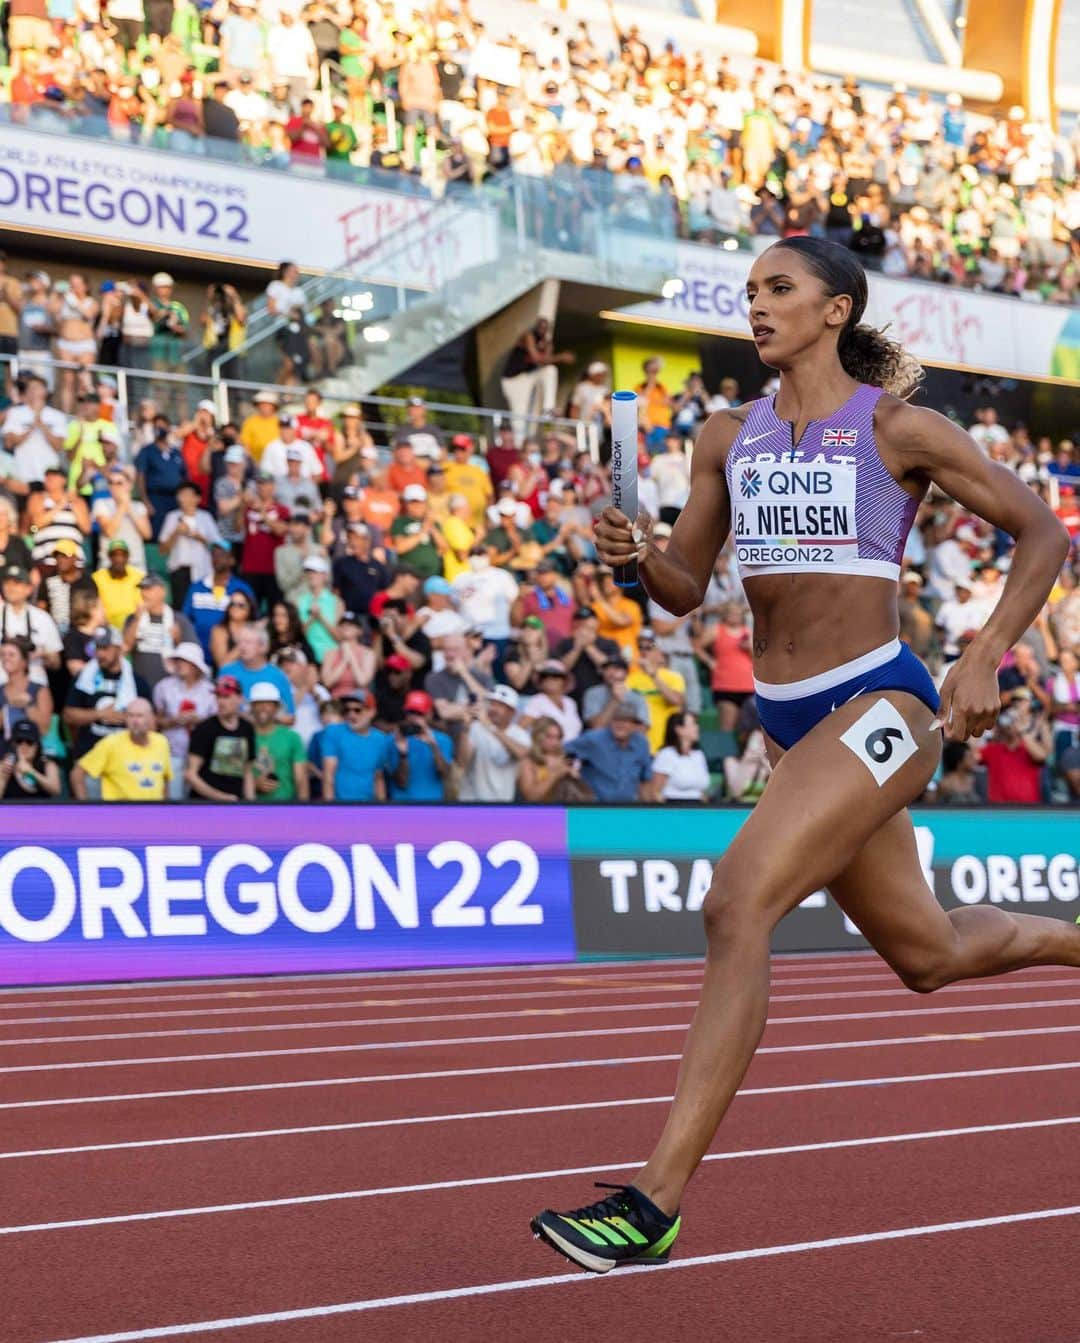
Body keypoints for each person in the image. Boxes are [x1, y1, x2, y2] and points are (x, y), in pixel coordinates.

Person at [531, 234, 1079, 1274]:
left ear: (836, 310)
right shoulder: (724, 436)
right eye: (750, 292)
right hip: (791, 718)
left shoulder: (896, 427)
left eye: (779, 288)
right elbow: (687, 584)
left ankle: (655, 1201)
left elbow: (1042, 532)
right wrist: (637, 553)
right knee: (929, 955)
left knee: (737, 901)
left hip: (883, 701)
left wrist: (984, 654)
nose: (758, 304)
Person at [71, 697, 171, 800]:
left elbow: (165, 779)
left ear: (151, 718)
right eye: (130, 715)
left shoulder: (162, 742)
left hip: (154, 813)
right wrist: (84, 809)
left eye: (140, 716)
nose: (135, 721)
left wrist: (165, 810)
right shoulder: (111, 743)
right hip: (119, 813)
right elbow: (77, 774)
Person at [152, 640, 216, 798]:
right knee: (173, 799)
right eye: (178, 660)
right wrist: (174, 721)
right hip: (171, 752)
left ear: (195, 665)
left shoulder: (210, 691)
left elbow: (216, 723)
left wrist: (199, 722)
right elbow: (155, 722)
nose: (180, 664)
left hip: (202, 756)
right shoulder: (163, 687)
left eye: (184, 661)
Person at [321, 689, 404, 802]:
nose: (351, 714)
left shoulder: (380, 739)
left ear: (372, 712)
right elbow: (328, 777)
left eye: (357, 710)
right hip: (341, 806)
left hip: (368, 808)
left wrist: (382, 810)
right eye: (347, 710)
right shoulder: (333, 732)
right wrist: (330, 810)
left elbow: (378, 777)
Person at [186, 674, 256, 802]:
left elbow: (247, 771)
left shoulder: (247, 729)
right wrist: (221, 798)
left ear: (239, 698)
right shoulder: (204, 728)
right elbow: (191, 775)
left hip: (236, 805)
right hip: (204, 805)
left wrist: (251, 804)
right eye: (218, 696)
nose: (220, 702)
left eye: (226, 697)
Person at [565, 701, 652, 801]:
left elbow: (645, 779)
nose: (620, 725)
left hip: (628, 808)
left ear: (635, 726)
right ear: (610, 722)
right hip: (595, 808)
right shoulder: (594, 739)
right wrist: (569, 770)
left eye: (626, 721)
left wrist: (648, 807)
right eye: (616, 720)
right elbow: (561, 751)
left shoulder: (641, 743)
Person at [456, 684, 530, 802]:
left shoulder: (520, 734)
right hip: (471, 801)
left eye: (500, 705)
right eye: (492, 703)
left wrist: (491, 727)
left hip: (501, 803)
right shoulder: (475, 728)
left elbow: (521, 753)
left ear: (512, 712)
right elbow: (462, 762)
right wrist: (465, 728)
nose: (493, 708)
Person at [387, 689, 453, 802]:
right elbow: (401, 782)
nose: (414, 717)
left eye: (419, 713)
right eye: (411, 712)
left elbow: (444, 775)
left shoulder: (443, 740)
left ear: (430, 714)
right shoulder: (394, 738)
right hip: (402, 806)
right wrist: (403, 754)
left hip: (431, 806)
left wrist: (433, 746)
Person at [249, 681, 309, 802]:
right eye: (259, 703)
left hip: (285, 808)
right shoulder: (242, 735)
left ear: (277, 707)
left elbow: (301, 779)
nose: (263, 707)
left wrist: (304, 812)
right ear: (252, 706)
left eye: (268, 703)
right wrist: (253, 785)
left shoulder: (292, 737)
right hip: (250, 809)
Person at [518, 715, 591, 802]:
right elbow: (530, 797)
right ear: (538, 736)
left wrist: (574, 777)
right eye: (549, 737)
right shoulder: (528, 763)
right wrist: (554, 775)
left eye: (558, 737)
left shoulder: (565, 759)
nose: (555, 742)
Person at [651, 710, 711, 801]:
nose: (697, 727)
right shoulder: (666, 754)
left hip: (697, 808)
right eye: (693, 724)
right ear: (679, 730)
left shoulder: (699, 755)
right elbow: (655, 792)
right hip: (673, 807)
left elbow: (701, 792)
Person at [0, 718, 61, 800]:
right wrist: (2, 778)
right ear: (13, 744)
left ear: (37, 745)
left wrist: (31, 772)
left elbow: (55, 789)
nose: (24, 746)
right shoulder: (5, 764)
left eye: (29, 741)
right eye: (19, 741)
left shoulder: (47, 764)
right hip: (12, 811)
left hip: (42, 811)